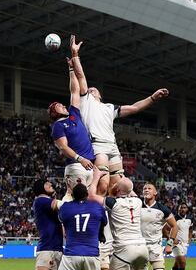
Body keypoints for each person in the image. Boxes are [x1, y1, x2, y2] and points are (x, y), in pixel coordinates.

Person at [70, 35, 169, 196]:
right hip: (98, 145)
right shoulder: (86, 101)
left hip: (113, 146)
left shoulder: (110, 108)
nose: (91, 90)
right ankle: (97, 212)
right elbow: (81, 76)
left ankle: (115, 213)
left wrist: (152, 98)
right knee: (103, 183)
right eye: (89, 89)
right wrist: (75, 55)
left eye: (94, 89)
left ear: (100, 95)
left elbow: (135, 107)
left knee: (118, 185)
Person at [88, 176, 160, 270]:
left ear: (118, 190)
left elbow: (92, 196)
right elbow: (128, 188)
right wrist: (122, 181)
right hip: (141, 247)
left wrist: (95, 178)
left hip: (123, 248)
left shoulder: (113, 203)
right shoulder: (138, 201)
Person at [0, 179, 65, 270]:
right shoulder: (42, 200)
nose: (52, 186)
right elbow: (61, 205)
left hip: (56, 248)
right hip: (47, 248)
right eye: (48, 184)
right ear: (42, 187)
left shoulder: (47, 203)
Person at [49, 45, 96, 202]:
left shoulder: (74, 115)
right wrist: (80, 158)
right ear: (55, 113)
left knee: (88, 200)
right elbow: (63, 147)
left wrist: (71, 70)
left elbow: (74, 91)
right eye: (59, 106)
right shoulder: (58, 126)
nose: (63, 105)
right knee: (73, 199)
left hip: (89, 164)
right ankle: (63, 220)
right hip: (77, 165)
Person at [140, 183, 178, 270]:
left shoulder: (163, 209)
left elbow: (174, 226)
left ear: (155, 193)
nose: (146, 190)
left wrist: (169, 243)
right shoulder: (136, 205)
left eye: (149, 188)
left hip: (155, 247)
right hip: (138, 247)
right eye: (144, 188)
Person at [168, 202, 195, 270]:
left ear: (187, 209)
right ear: (178, 209)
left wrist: (189, 239)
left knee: (177, 264)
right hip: (176, 244)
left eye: (184, 207)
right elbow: (165, 229)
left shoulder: (190, 218)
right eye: (181, 207)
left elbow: (190, 229)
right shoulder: (174, 218)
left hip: (185, 244)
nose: (183, 209)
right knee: (182, 262)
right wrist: (172, 239)